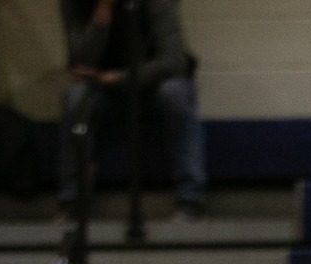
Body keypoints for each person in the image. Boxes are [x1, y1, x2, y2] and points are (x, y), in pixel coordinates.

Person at [58, 0, 205, 222]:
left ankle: (190, 199)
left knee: (176, 94)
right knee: (76, 98)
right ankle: (72, 203)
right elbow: (80, 61)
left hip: (151, 86)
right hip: (104, 89)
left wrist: (120, 78)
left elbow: (175, 61)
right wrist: (101, 15)